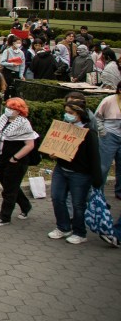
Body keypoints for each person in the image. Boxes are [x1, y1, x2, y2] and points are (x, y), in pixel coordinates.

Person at [48, 93, 103, 244]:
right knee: (57, 198)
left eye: (71, 113)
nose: (67, 115)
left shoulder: (88, 133)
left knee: (78, 204)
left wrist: (96, 179)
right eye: (66, 112)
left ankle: (80, 232)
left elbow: (94, 157)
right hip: (61, 169)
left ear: (79, 114)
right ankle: (63, 227)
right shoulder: (64, 128)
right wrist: (54, 154)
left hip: (80, 174)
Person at [0, 98, 38, 226]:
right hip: (1, 157)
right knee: (9, 186)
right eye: (8, 107)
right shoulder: (3, 119)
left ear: (19, 111)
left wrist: (15, 158)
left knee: (9, 190)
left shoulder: (24, 124)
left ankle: (4, 216)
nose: (9, 110)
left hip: (17, 161)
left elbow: (29, 145)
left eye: (12, 109)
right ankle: (25, 205)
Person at [94, 86, 121, 203]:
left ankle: (119, 191)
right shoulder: (109, 100)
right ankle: (99, 194)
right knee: (104, 166)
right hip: (109, 135)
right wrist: (103, 132)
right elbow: (97, 117)